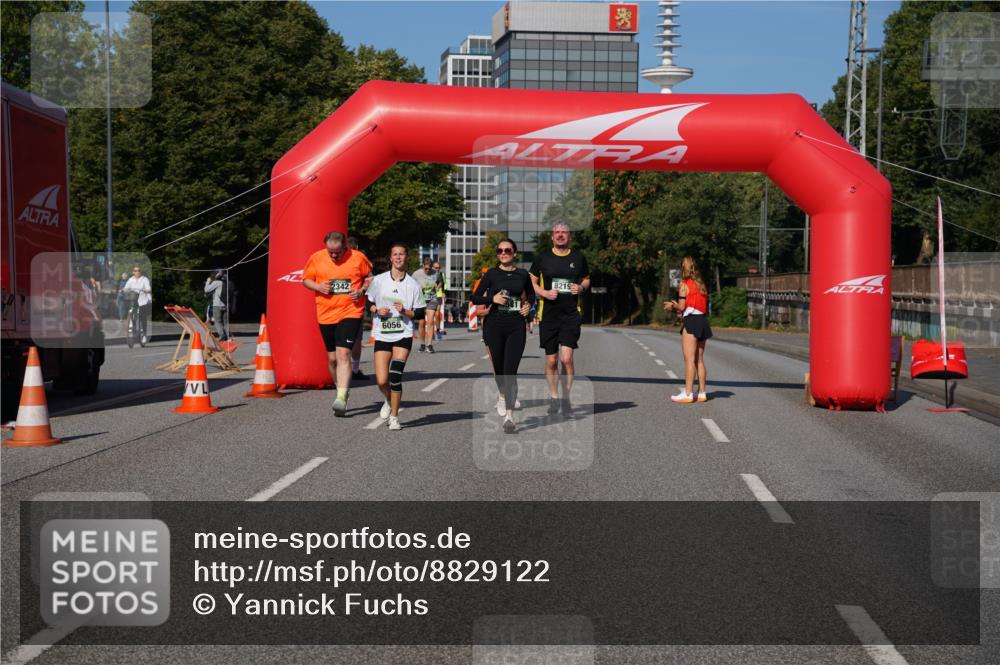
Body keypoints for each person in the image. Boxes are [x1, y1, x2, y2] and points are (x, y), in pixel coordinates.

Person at [301, 231, 373, 417]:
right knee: (332, 359)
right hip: (325, 313)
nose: (334, 255)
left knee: (343, 353)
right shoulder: (316, 258)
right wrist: (318, 287)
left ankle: (341, 398)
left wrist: (361, 290)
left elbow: (369, 277)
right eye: (330, 252)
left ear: (345, 247)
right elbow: (306, 279)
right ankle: (340, 389)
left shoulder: (358, 258)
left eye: (338, 252)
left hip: (351, 311)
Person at [473, 238, 534, 433]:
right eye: (500, 251)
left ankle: (509, 416)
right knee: (499, 369)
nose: (503, 253)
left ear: (514, 253)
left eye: (507, 250)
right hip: (494, 326)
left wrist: (527, 307)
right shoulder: (492, 274)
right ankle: (501, 394)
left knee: (510, 371)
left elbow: (531, 295)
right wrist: (492, 298)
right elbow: (474, 297)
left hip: (516, 326)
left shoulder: (523, 274)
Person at [529, 222, 590, 416]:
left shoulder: (578, 257)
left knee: (566, 358)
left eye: (564, 232)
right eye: (557, 232)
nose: (560, 235)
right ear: (552, 237)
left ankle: (566, 398)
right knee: (552, 361)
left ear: (569, 236)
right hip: (548, 314)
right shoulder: (543, 258)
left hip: (571, 314)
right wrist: (544, 293)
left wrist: (581, 288)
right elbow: (532, 282)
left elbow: (586, 279)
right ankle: (554, 397)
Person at [366, 243, 426, 431]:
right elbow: (368, 304)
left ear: (406, 258)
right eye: (395, 254)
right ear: (390, 258)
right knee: (382, 381)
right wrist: (377, 310)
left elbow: (421, 313)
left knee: (395, 376)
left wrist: (406, 311)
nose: (399, 257)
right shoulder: (379, 280)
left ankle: (394, 417)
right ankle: (388, 398)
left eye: (402, 254)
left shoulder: (413, 285)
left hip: (403, 335)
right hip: (383, 334)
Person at [664, 256, 712, 403]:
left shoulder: (684, 284)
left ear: (683, 268)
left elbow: (682, 307)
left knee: (689, 360)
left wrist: (672, 306)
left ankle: (688, 393)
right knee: (699, 360)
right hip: (703, 321)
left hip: (691, 322)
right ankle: (702, 393)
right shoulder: (701, 284)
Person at [347, 236, 373, 381]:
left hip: (334, 307)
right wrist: (362, 291)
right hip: (354, 306)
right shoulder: (361, 258)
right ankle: (355, 369)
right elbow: (370, 278)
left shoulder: (335, 259)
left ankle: (342, 369)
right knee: (356, 339)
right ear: (356, 247)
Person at [411, 257, 443, 353]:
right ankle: (422, 344)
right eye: (426, 268)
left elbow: (440, 281)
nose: (428, 270)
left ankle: (429, 344)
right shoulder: (416, 274)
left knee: (430, 322)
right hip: (420, 300)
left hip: (432, 299)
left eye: (429, 269)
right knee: (421, 323)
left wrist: (437, 287)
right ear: (423, 266)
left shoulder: (435, 273)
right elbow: (410, 285)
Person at [122, 265, 152, 344]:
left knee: (143, 318)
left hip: (143, 300)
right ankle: (132, 325)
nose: (137, 272)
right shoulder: (130, 280)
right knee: (132, 312)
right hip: (133, 299)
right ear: (133, 272)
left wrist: (145, 290)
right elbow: (126, 287)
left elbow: (148, 288)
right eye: (135, 271)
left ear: (140, 272)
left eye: (138, 270)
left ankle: (144, 334)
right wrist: (123, 290)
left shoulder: (144, 279)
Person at [204, 270, 228, 341]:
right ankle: (227, 337)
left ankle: (222, 335)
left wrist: (208, 282)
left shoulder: (216, 282)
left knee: (217, 321)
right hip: (226, 305)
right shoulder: (226, 282)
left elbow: (206, 290)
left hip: (217, 305)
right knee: (225, 322)